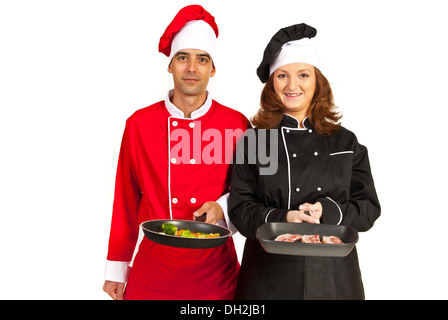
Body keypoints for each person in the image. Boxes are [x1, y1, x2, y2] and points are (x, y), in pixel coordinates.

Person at [103, 5, 249, 300]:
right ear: (170, 65)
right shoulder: (139, 124)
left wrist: (222, 208)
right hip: (154, 271)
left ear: (213, 68)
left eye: (202, 59)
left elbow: (251, 192)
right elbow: (126, 200)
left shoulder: (237, 124)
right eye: (183, 58)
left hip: (215, 273)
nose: (192, 68)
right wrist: (117, 270)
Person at [228, 23, 380, 300]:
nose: (292, 85)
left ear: (317, 81)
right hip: (267, 279)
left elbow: (368, 209)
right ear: (272, 83)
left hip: (333, 279)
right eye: (282, 75)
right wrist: (285, 218)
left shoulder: (345, 142)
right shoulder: (256, 141)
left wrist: (326, 211)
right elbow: (240, 209)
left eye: (303, 75)